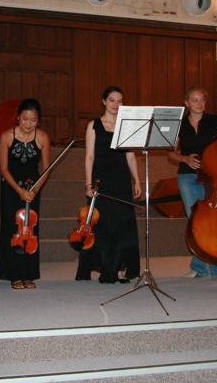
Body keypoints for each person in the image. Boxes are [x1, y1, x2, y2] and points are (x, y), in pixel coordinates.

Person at [167, 86, 217, 283]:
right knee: (195, 222)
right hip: (187, 177)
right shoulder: (180, 124)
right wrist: (184, 159)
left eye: (202, 100)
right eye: (195, 100)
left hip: (212, 175)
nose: (199, 103)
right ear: (187, 103)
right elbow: (170, 152)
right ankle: (198, 267)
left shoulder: (214, 121)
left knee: (213, 221)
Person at [75, 86, 142, 284]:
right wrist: (88, 183)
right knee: (101, 225)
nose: (115, 104)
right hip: (100, 181)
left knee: (122, 225)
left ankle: (121, 270)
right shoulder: (93, 125)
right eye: (112, 100)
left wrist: (136, 179)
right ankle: (106, 269)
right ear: (104, 101)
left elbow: (130, 154)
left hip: (121, 180)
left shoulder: (126, 125)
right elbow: (89, 156)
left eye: (119, 101)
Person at [0, 98, 52, 289]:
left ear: (39, 120)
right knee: (12, 229)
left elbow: (46, 170)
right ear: (18, 117)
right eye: (25, 119)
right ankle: (13, 274)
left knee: (30, 230)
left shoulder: (43, 137)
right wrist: (19, 190)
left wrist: (34, 190)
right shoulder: (6, 136)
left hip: (32, 189)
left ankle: (28, 274)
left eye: (33, 120)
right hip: (11, 188)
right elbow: (3, 169)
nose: (28, 124)